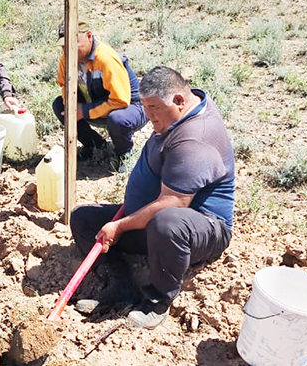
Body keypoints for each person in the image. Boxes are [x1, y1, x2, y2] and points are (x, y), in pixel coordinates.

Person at [70, 66, 235, 330]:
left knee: (167, 222)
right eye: (144, 107)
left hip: (202, 229)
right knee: (83, 219)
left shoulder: (196, 139)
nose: (147, 116)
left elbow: (175, 203)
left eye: (153, 108)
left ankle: (158, 299)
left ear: (179, 101)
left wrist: (121, 225)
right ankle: (121, 287)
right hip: (158, 220)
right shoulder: (178, 114)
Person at [52, 21, 146, 166]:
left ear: (89, 36)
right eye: (64, 46)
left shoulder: (105, 59)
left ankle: (124, 155)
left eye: (72, 44)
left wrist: (83, 111)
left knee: (118, 119)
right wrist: (69, 104)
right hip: (96, 103)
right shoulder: (66, 59)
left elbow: (121, 101)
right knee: (60, 105)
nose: (68, 50)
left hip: (130, 108)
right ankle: (95, 145)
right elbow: (64, 85)